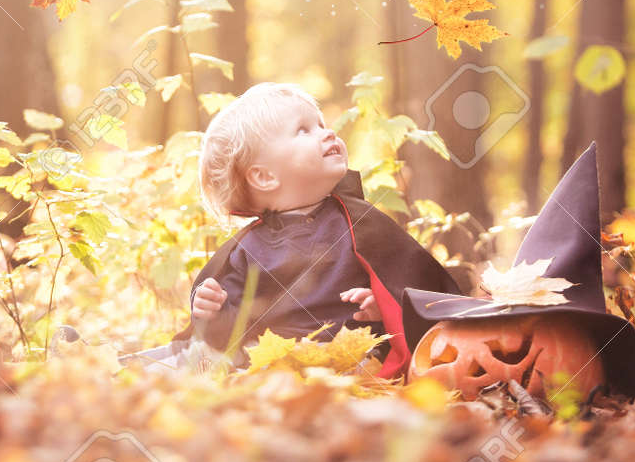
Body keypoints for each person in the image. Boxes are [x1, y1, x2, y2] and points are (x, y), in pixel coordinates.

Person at [139, 82, 463, 377]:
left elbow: (411, 288)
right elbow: (229, 334)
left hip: (354, 361)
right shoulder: (248, 249)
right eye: (303, 131)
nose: (328, 133)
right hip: (272, 367)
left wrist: (382, 306)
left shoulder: (362, 223)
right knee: (188, 365)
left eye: (321, 124)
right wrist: (212, 312)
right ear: (264, 177)